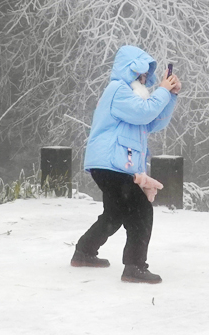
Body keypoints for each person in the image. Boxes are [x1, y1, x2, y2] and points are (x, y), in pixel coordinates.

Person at [73, 45, 181, 283]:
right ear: (130, 70)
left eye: (145, 76)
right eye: (141, 74)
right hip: (111, 163)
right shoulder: (117, 90)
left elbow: (153, 121)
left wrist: (170, 95)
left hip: (114, 164)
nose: (144, 79)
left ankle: (84, 252)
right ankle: (134, 267)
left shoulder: (134, 98)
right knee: (141, 210)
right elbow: (145, 112)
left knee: (115, 213)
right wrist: (161, 91)